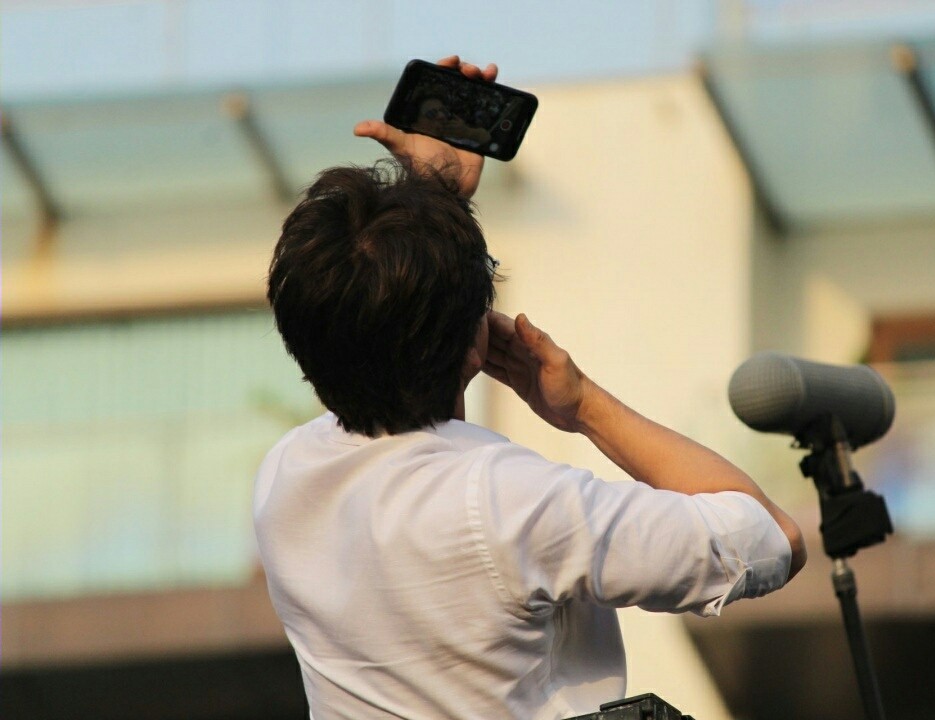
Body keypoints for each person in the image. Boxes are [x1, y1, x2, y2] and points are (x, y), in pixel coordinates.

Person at [254, 55, 806, 720]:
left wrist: (436, 204)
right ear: (474, 338)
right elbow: (772, 536)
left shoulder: (284, 482)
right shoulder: (510, 502)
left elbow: (374, 326)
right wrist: (583, 408)